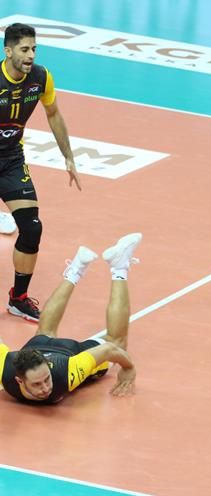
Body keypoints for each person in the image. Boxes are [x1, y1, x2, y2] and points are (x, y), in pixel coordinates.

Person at [0, 233, 141, 403]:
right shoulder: (5, 370)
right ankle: (77, 267)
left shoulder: (65, 373)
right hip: (37, 346)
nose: (46, 388)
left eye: (46, 379)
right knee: (44, 332)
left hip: (69, 353)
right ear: (19, 380)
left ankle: (119, 267)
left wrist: (128, 367)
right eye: (37, 384)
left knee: (117, 342)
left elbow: (110, 349)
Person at [1, 22, 82, 322]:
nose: (31, 55)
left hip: (10, 160)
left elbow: (54, 114)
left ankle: (18, 299)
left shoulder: (41, 78)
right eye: (24, 49)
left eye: (34, 48)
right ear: (8, 51)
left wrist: (68, 156)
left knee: (32, 228)